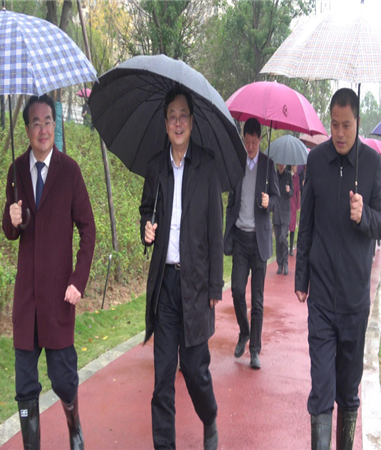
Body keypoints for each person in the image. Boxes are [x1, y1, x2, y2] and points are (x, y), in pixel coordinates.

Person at [295, 88, 381, 449]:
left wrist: (364, 215)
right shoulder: (317, 161)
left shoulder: (372, 165)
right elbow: (306, 224)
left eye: (346, 125)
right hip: (321, 299)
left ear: (357, 123)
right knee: (321, 390)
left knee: (348, 393)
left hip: (354, 303)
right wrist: (301, 276)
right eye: (334, 124)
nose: (339, 132)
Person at [2, 94, 96, 450]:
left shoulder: (69, 171)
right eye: (35, 123)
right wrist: (12, 219)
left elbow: (88, 229)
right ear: (27, 129)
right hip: (27, 299)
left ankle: (74, 425)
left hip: (59, 296)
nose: (42, 129)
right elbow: (12, 231)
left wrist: (78, 280)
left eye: (48, 121)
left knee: (63, 379)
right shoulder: (15, 172)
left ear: (55, 125)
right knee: (25, 385)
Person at [139, 84, 222, 450]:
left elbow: (215, 230)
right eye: (171, 117)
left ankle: (209, 416)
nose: (177, 123)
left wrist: (215, 287)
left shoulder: (207, 166)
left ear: (191, 121)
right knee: (162, 380)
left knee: (194, 370)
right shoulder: (156, 166)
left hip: (196, 286)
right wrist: (146, 228)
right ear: (165, 123)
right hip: (165, 288)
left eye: (182, 116)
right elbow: (146, 209)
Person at [224, 118, 280, 369]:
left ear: (259, 140)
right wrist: (228, 230)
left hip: (259, 242)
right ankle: (244, 331)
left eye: (254, 142)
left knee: (257, 300)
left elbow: (277, 199)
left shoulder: (268, 166)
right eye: (246, 142)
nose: (249, 147)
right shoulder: (237, 161)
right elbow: (231, 202)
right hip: (240, 238)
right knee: (237, 290)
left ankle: (255, 349)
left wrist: (270, 202)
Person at [273, 163, 294, 275]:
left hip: (285, 213)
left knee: (283, 238)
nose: (281, 166)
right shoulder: (273, 175)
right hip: (276, 212)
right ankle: (279, 264)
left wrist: (289, 190)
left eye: (283, 164)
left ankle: (285, 263)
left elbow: (292, 193)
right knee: (277, 240)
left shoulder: (288, 176)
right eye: (280, 164)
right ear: (277, 164)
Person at [289, 165, 301, 256]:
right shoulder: (287, 175)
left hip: (293, 205)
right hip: (286, 204)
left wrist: (298, 205)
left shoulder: (297, 178)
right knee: (285, 226)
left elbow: (297, 192)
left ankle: (290, 248)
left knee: (292, 227)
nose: (296, 167)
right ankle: (284, 247)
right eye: (295, 165)